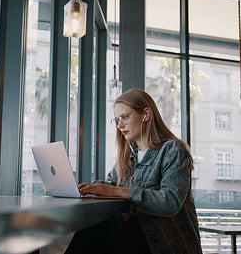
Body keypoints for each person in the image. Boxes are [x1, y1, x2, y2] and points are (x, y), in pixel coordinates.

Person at [72, 88, 202, 254]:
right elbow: (110, 184)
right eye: (117, 120)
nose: (119, 125)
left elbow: (170, 201)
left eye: (125, 117)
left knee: (96, 230)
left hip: (165, 241)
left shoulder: (173, 150)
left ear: (146, 114)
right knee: (92, 226)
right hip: (137, 235)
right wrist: (88, 189)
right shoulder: (128, 157)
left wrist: (121, 192)